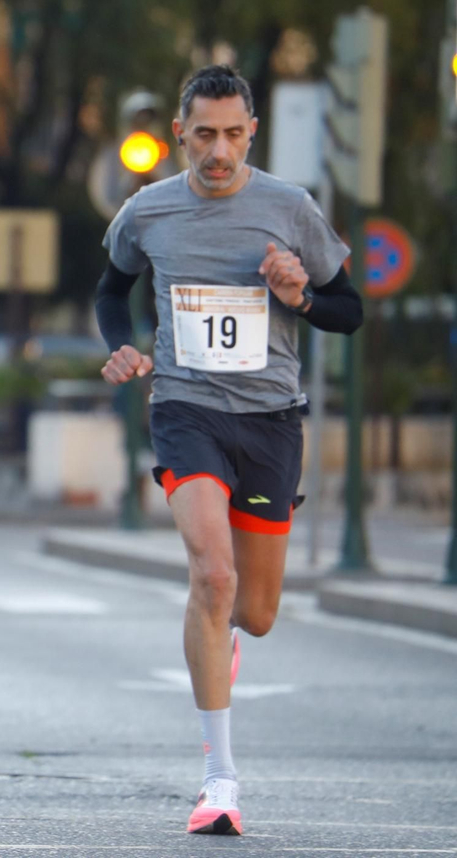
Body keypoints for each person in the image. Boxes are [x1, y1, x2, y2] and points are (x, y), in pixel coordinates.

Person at [95, 64, 362, 836]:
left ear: (253, 134)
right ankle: (219, 780)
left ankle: (226, 639)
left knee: (256, 611)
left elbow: (349, 310)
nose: (219, 151)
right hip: (186, 410)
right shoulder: (148, 210)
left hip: (271, 419)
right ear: (180, 133)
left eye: (234, 135)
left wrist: (300, 296)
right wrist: (121, 346)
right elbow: (111, 290)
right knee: (212, 576)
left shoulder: (290, 208)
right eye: (205, 135)